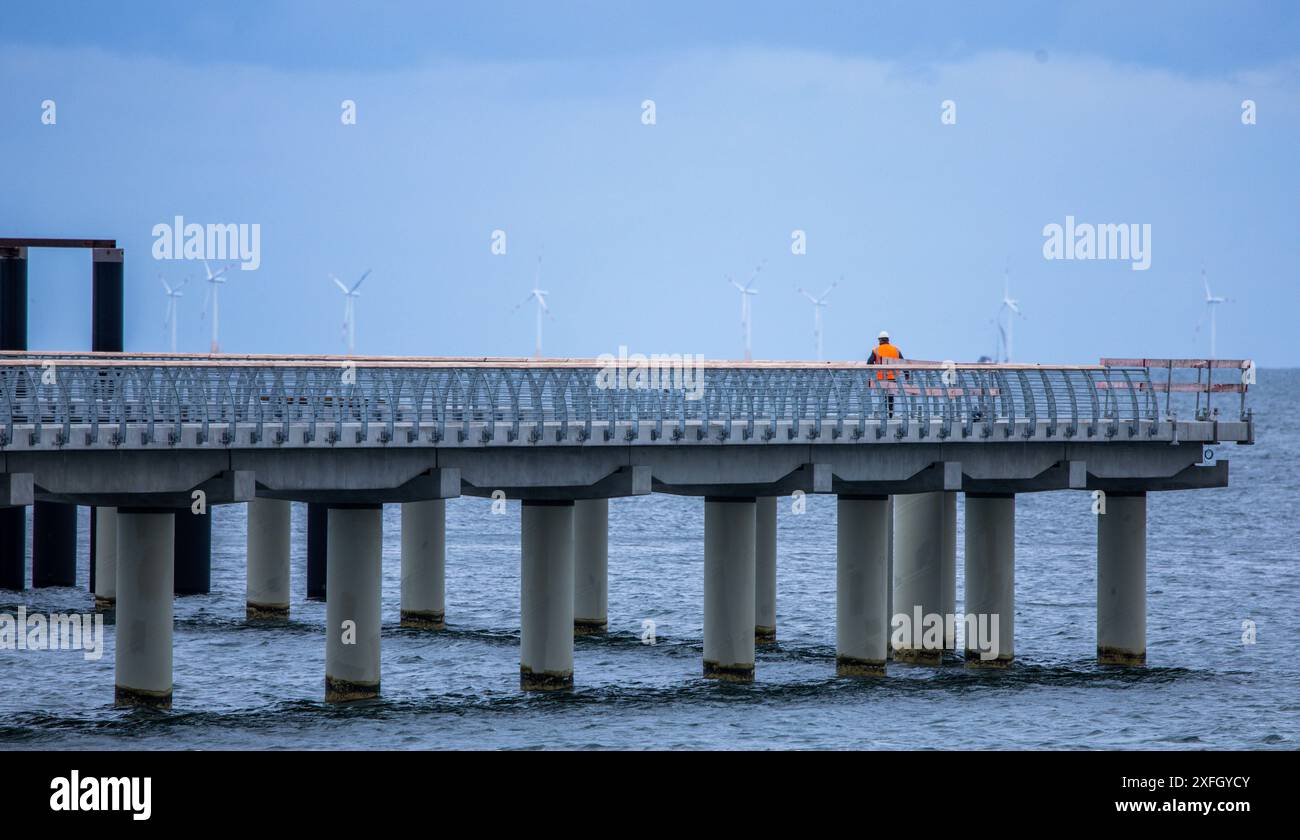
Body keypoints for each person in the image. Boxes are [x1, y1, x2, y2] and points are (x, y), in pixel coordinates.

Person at [868, 330, 903, 416]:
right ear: (888, 340)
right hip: (893, 378)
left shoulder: (876, 350)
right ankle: (891, 413)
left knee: (880, 397)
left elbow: (869, 362)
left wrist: (871, 375)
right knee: (890, 396)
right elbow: (903, 362)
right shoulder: (896, 350)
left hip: (880, 379)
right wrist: (907, 374)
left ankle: (881, 414)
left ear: (880, 340)